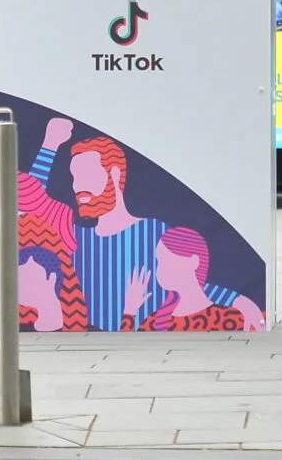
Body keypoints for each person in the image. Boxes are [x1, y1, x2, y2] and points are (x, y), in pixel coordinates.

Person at [20, 115, 163, 332]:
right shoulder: (73, 236)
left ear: (114, 174)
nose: (78, 186)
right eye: (74, 177)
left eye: (86, 175)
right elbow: (29, 202)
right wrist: (49, 146)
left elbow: (192, 276)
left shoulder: (152, 231)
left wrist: (231, 300)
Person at [133, 227, 265, 331]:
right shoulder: (152, 321)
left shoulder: (234, 318)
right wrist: (130, 310)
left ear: (194, 261)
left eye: (167, 260)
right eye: (159, 261)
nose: (160, 268)